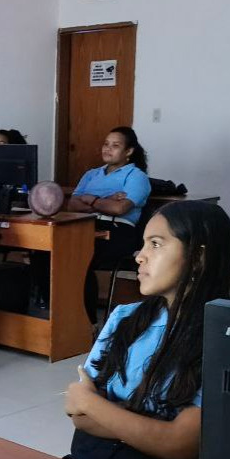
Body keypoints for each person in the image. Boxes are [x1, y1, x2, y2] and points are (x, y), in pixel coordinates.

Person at [64, 201, 230, 459]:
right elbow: (79, 418)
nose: (139, 256)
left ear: (198, 258)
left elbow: (178, 446)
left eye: (155, 244)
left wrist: (92, 402)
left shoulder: (224, 338)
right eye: (143, 244)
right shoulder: (124, 318)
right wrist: (147, 430)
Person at [66, 126, 152, 324]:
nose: (108, 149)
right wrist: (107, 200)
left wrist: (92, 200)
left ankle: (88, 323)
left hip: (118, 231)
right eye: (106, 144)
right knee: (50, 253)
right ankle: (60, 311)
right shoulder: (91, 174)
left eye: (115, 145)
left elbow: (120, 209)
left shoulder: (136, 176)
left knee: (80, 259)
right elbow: (72, 204)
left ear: (128, 151)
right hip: (83, 226)